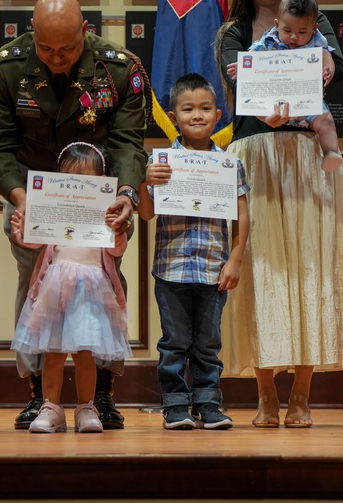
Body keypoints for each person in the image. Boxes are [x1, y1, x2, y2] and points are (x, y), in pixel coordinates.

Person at [216, 0, 343, 428]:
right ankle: (264, 395)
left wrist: (324, 62)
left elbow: (335, 70)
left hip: (307, 160)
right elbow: (243, 84)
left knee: (310, 273)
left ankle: (302, 395)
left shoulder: (316, 23)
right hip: (254, 158)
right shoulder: (234, 32)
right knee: (260, 277)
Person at [0, 0, 149, 430]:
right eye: (45, 48)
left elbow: (130, 141)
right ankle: (40, 395)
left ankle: (103, 395)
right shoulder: (8, 65)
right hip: (32, 197)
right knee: (34, 289)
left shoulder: (119, 67)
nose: (56, 58)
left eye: (67, 48)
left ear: (85, 31)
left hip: (99, 199)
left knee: (104, 289)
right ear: (32, 33)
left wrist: (127, 196)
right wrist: (19, 196)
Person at [138, 73, 249, 430]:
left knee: (207, 343)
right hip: (171, 270)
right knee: (174, 342)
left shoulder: (228, 163)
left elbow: (242, 213)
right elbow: (146, 212)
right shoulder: (163, 163)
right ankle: (174, 405)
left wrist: (235, 258)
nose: (197, 115)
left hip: (214, 268)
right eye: (188, 109)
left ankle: (208, 402)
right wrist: (144, 181)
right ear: (173, 116)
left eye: (205, 108)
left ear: (219, 116)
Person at [10, 142, 133, 433]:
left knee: (85, 354)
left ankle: (86, 407)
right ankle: (51, 407)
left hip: (90, 293)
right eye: (70, 180)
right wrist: (20, 231)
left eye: (87, 181)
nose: (78, 187)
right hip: (55, 292)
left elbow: (116, 251)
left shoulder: (108, 215)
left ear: (102, 183)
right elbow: (35, 241)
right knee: (52, 353)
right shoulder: (54, 212)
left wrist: (118, 229)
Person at [242, 0, 343, 172]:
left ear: (314, 29)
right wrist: (241, 68)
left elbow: (328, 56)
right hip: (275, 103)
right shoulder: (269, 40)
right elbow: (251, 60)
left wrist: (329, 69)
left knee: (326, 121)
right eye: (287, 31)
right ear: (277, 24)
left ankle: (330, 152)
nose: (294, 37)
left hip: (307, 101)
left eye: (302, 32)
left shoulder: (316, 41)